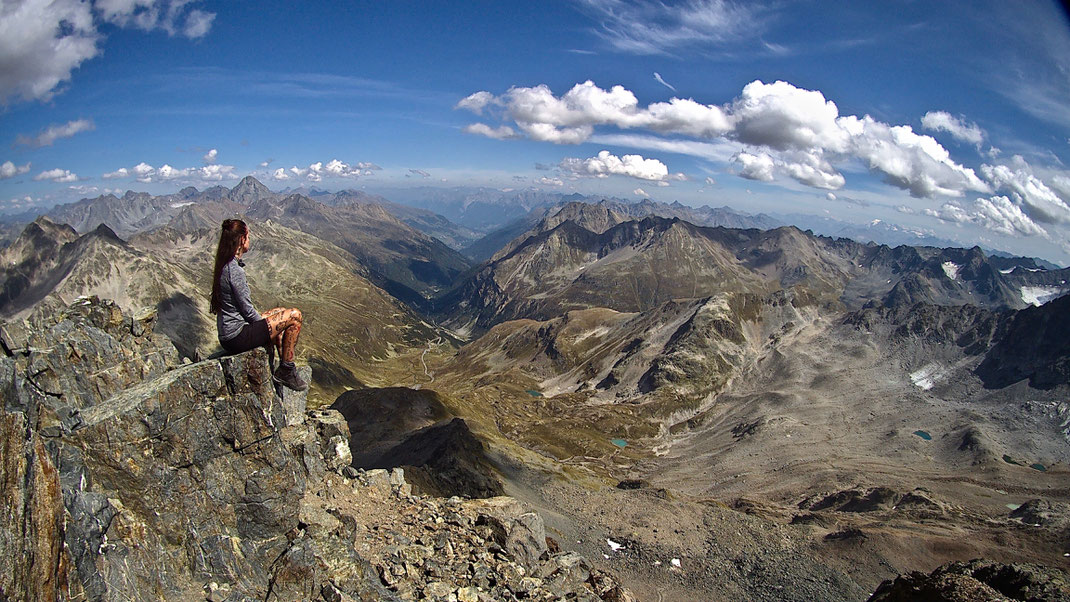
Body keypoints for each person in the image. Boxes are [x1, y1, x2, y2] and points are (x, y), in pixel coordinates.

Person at [210, 218, 307, 391]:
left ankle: (280, 367)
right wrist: (267, 327)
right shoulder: (234, 271)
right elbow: (247, 311)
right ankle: (287, 369)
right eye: (248, 236)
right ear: (241, 239)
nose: (249, 240)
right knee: (294, 316)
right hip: (237, 337)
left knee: (279, 312)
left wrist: (271, 324)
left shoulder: (225, 265)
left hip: (230, 334)